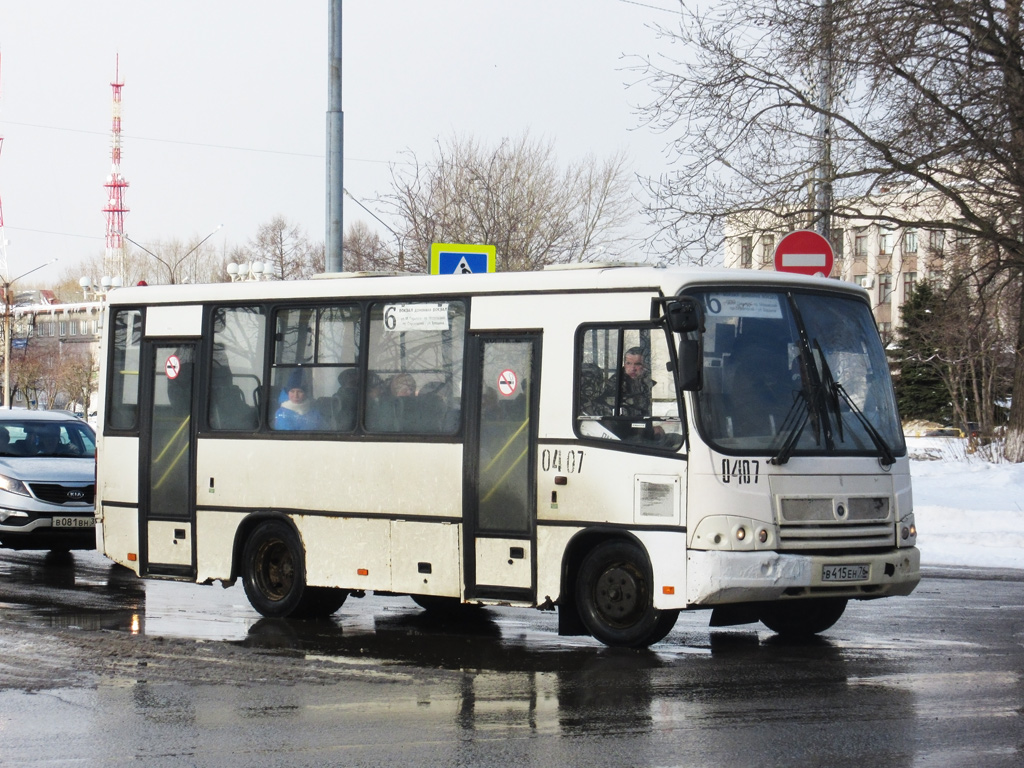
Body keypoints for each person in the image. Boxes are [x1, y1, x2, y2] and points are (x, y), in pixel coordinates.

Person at [603, 346, 665, 441]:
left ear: (645, 365)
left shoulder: (644, 383)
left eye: (637, 364)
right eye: (628, 363)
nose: (632, 368)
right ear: (624, 364)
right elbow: (609, 418)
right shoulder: (616, 384)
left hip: (641, 432)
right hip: (622, 436)